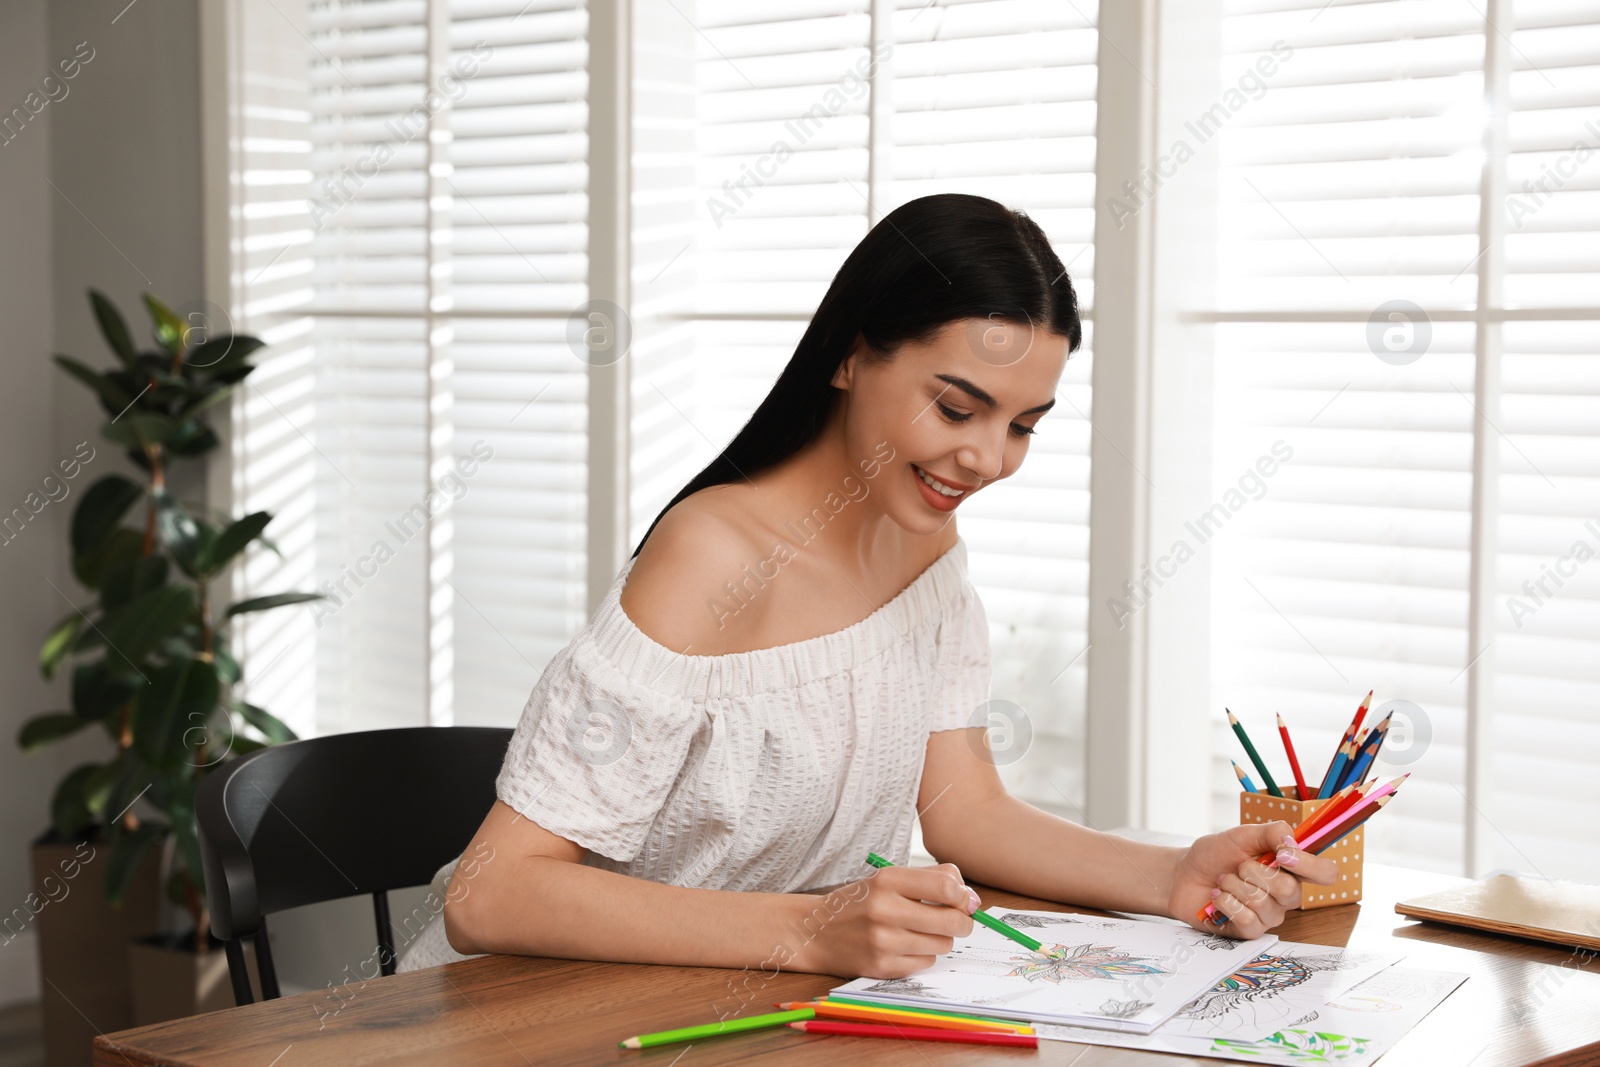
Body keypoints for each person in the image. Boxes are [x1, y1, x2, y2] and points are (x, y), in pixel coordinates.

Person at [397, 192, 1336, 978]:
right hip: (529, 1012)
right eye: (958, 406)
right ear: (850, 354)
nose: (985, 458)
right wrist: (809, 929)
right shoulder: (714, 556)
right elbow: (492, 894)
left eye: (1023, 425)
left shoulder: (924, 546)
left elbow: (961, 809)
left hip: (724, 1007)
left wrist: (1174, 871)